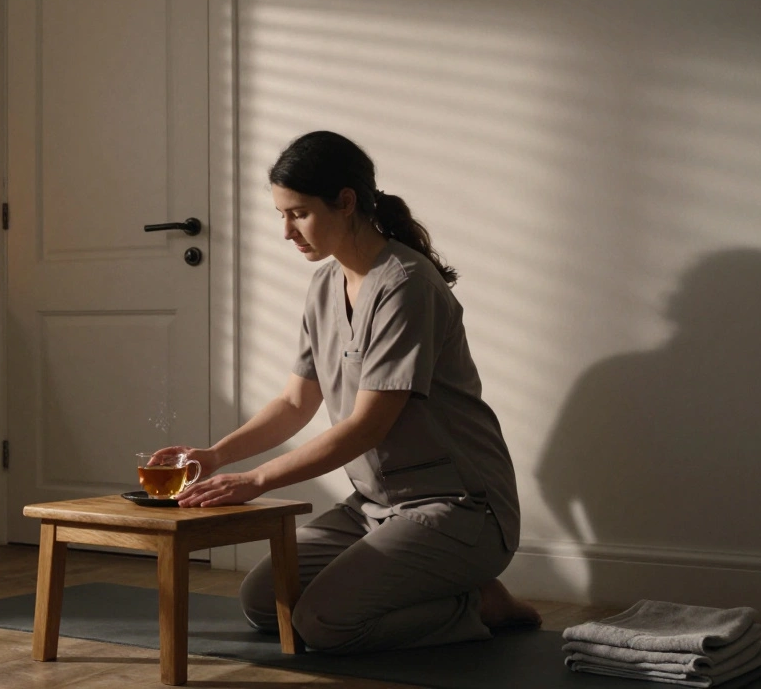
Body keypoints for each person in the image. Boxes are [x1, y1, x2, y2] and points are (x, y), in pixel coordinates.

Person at [151, 130, 541, 655]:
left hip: (459, 508)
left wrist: (257, 480)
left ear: (346, 202)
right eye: (280, 215)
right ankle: (442, 585)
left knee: (324, 624)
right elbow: (295, 404)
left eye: (299, 214)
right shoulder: (324, 285)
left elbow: (367, 426)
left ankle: (478, 605)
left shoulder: (406, 285)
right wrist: (216, 456)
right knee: (266, 603)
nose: (286, 231)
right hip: (373, 508)